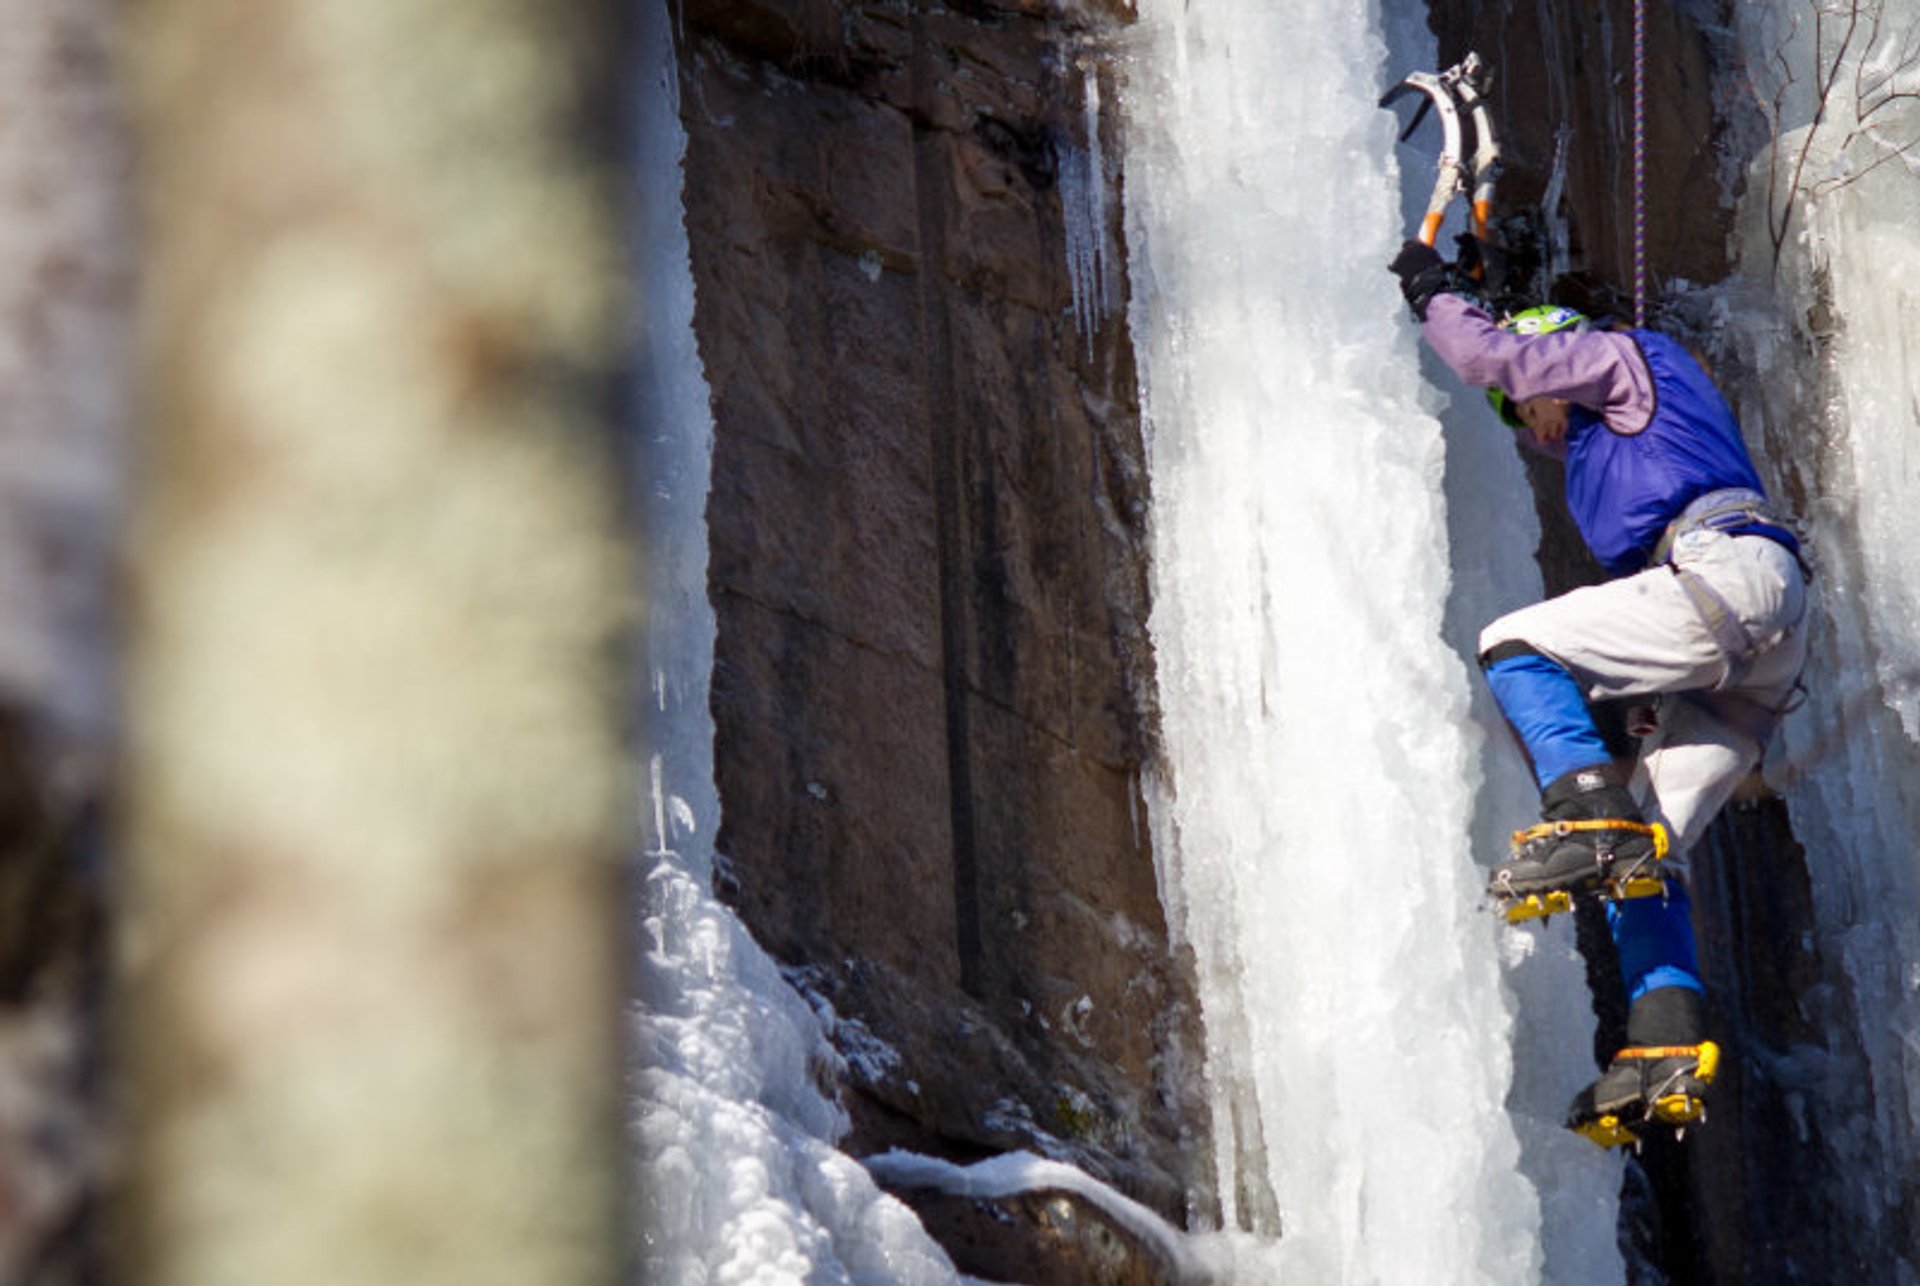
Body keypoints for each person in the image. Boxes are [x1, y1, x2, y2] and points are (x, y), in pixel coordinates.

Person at [1388, 238, 1813, 1146]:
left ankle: (1585, 806)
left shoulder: (1622, 360)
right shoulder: (1617, 445)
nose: (1530, 426)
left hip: (1725, 573)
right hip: (1756, 623)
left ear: (1556, 357)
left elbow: (1481, 355)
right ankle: (1664, 1044)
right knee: (1645, 857)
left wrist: (1434, 292)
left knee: (1511, 641)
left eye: (1528, 403)